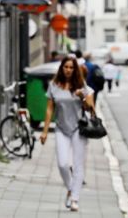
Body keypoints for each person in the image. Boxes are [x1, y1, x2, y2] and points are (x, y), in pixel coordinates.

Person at [40, 55, 95, 213]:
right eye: (66, 67)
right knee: (62, 163)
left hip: (78, 128)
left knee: (78, 165)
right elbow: (50, 109)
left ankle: (75, 199)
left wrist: (82, 97)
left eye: (71, 67)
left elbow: (90, 109)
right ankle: (71, 189)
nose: (68, 70)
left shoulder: (81, 85)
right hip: (61, 128)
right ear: (61, 68)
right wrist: (45, 131)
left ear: (75, 69)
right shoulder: (54, 85)